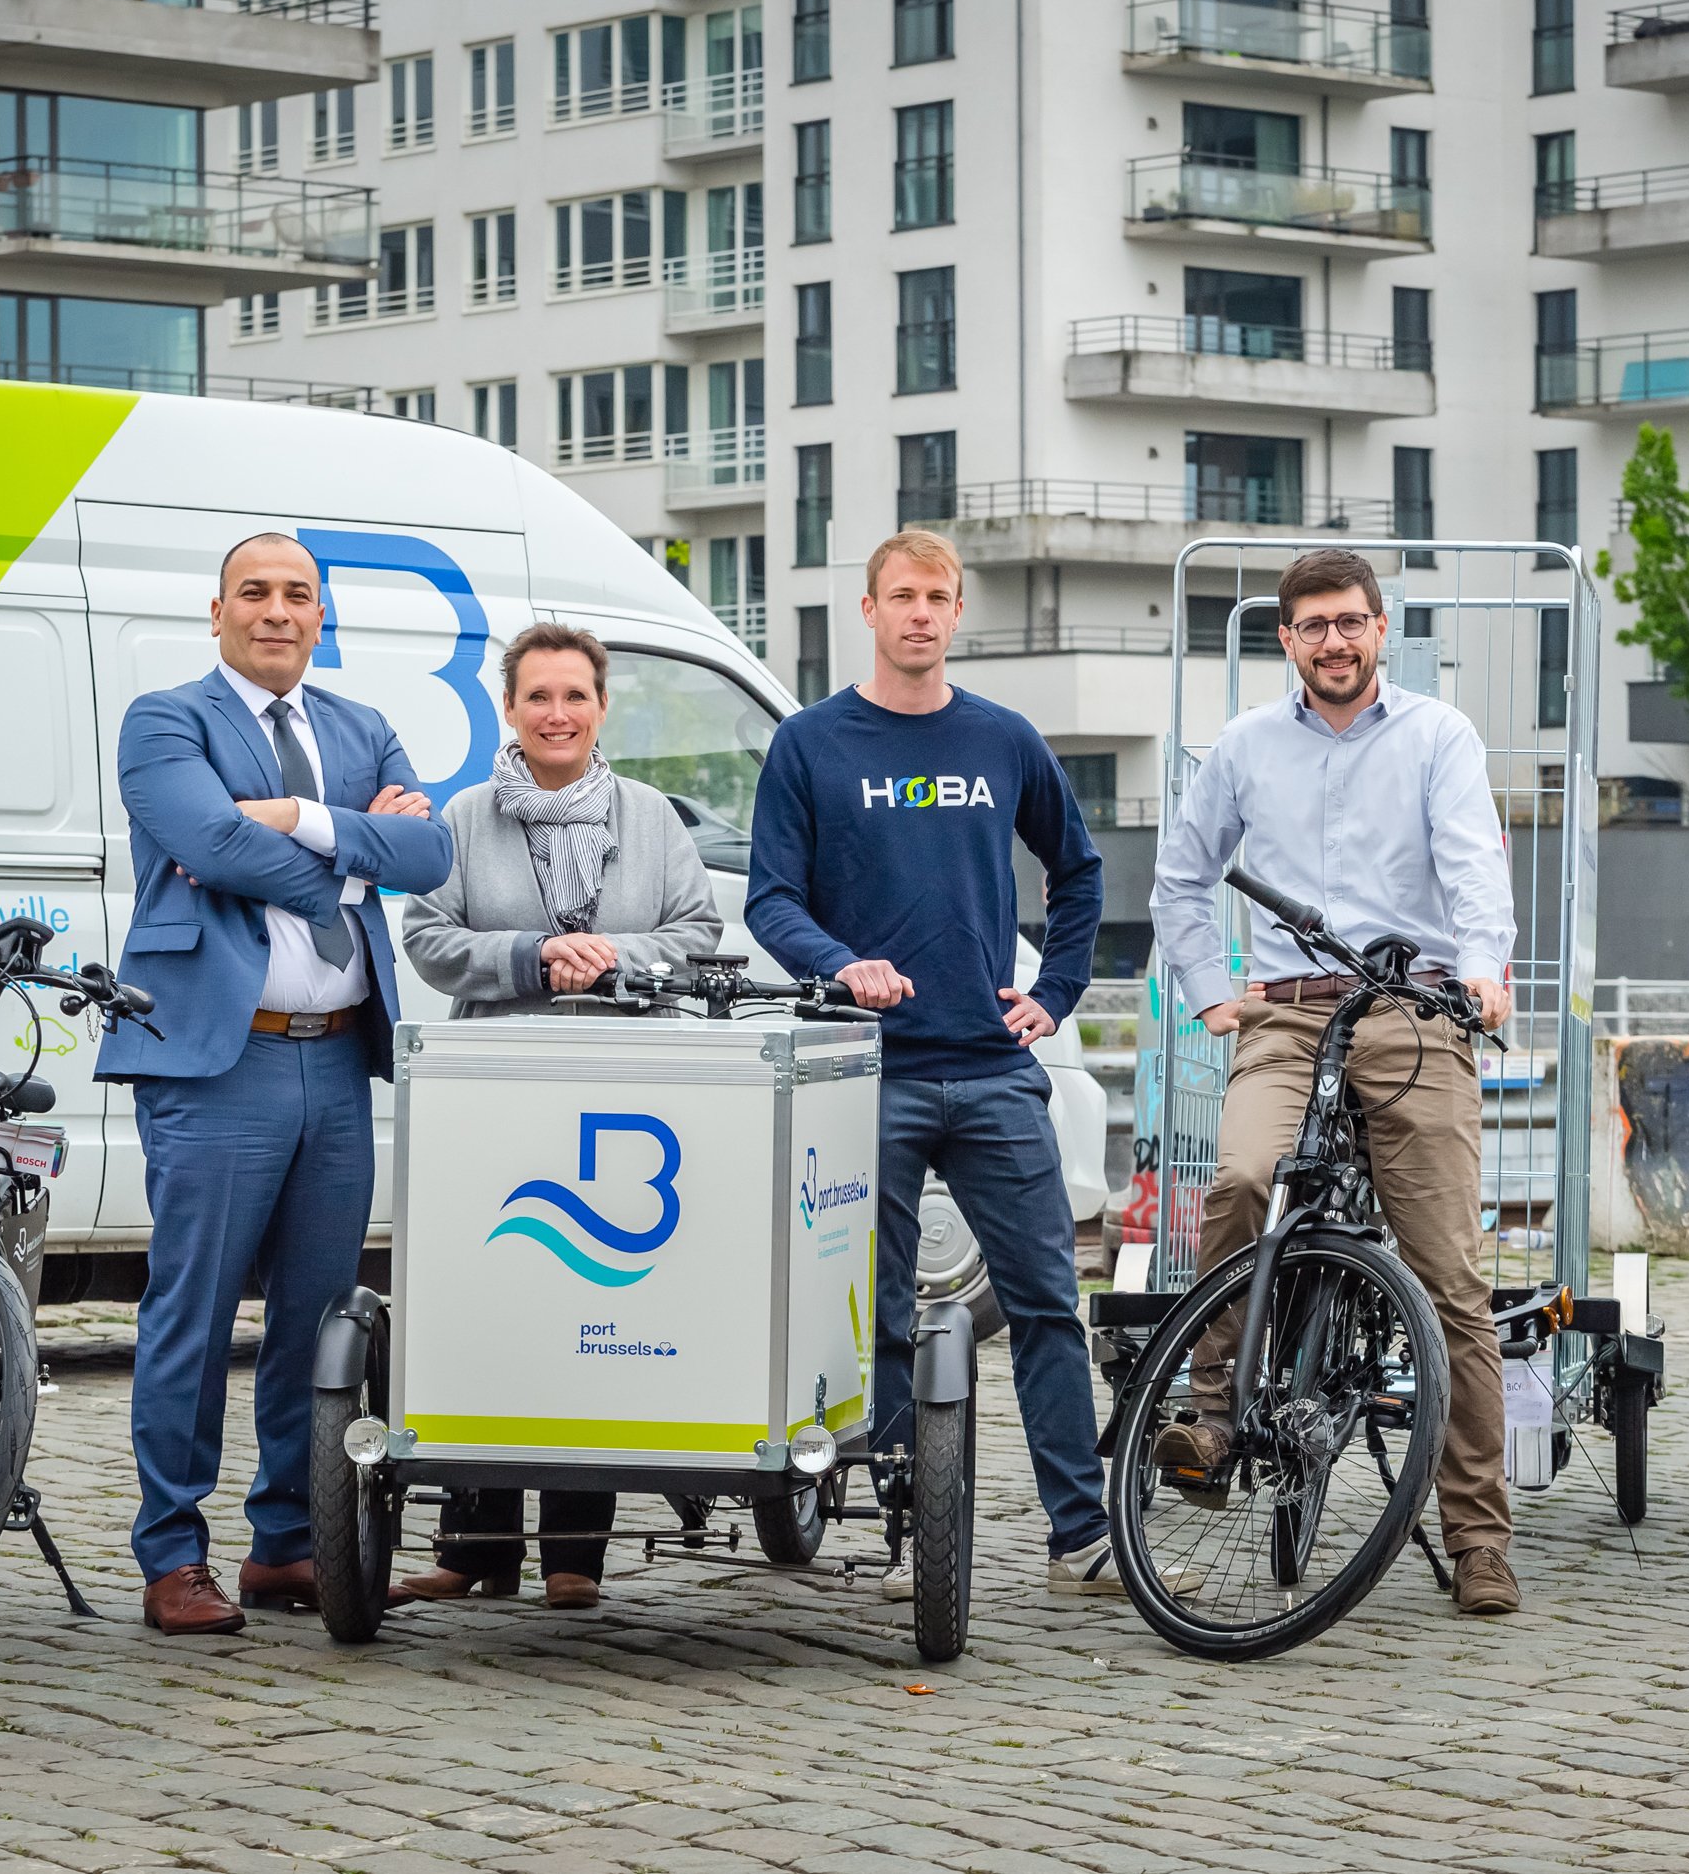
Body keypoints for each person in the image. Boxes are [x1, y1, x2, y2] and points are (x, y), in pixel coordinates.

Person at [744, 528, 1133, 1596]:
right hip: (867, 1075)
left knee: (1048, 1303)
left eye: (939, 597)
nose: (920, 613)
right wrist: (841, 964)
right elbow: (771, 897)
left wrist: (1053, 995)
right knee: (871, 1307)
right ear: (867, 612)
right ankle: (892, 1510)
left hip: (995, 1072)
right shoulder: (811, 746)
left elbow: (1080, 872)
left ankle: (1079, 1539)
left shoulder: (1003, 740)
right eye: (902, 596)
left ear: (958, 615)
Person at [1148, 546, 1524, 1616]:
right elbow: (1180, 879)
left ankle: (1479, 1534)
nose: (1334, 641)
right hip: (1288, 1012)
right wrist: (1216, 992)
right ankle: (1210, 1414)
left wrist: (1485, 973)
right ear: (1286, 639)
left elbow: (1471, 865)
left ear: (1380, 627)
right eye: (1313, 626)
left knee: (1449, 1275)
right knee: (1239, 1181)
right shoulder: (1247, 747)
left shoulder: (1438, 735)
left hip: (1412, 1007)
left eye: (1350, 621)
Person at [99, 531, 454, 1637]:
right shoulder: (167, 721)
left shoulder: (360, 729)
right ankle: (172, 1556)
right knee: (193, 1315)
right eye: (254, 592)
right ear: (217, 612)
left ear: (320, 615)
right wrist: (356, 855)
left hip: (337, 1055)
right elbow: (208, 842)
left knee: (316, 1321)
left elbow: (433, 856)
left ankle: (289, 1545)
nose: (276, 611)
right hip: (220, 1058)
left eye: (299, 595)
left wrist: (298, 823)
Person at [395, 619, 724, 1610]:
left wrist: (611, 958)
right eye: (538, 696)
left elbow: (699, 933)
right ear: (510, 708)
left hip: (617, 1085)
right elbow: (427, 934)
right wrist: (532, 956)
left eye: (574, 695)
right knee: (493, 1292)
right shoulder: (461, 821)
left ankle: (575, 1553)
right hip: (493, 1085)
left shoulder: (652, 816)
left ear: (601, 706)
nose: (557, 713)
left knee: (594, 1300)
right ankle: (474, 1547)